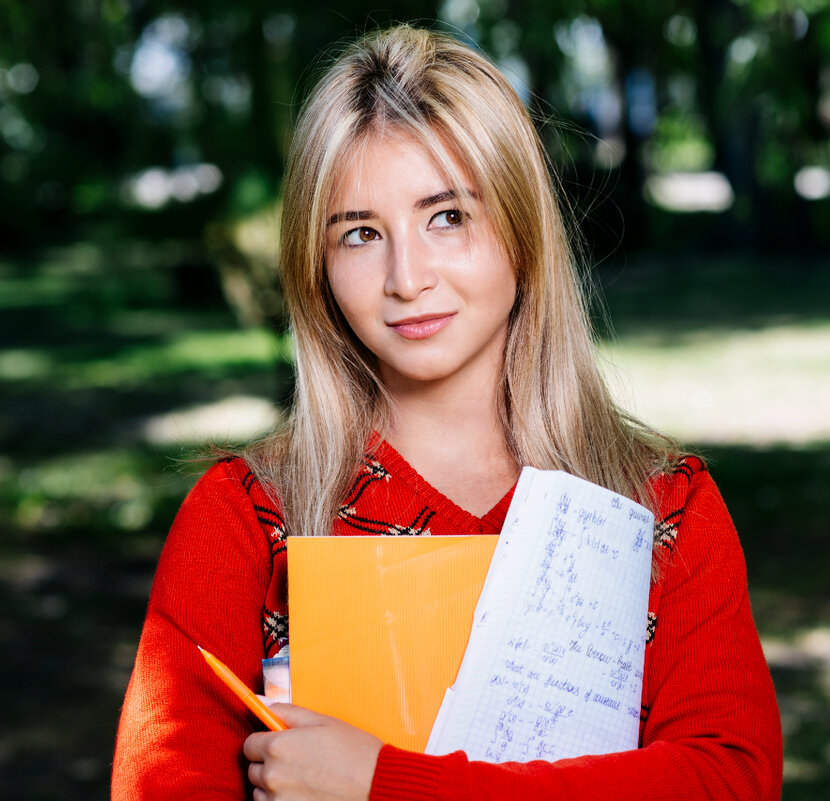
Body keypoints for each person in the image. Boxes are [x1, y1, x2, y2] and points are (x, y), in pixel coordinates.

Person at [112, 23, 782, 801]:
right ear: (319, 268)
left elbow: (728, 780)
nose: (406, 277)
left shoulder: (663, 507)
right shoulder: (244, 518)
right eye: (360, 234)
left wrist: (384, 785)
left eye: (447, 217)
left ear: (523, 230)